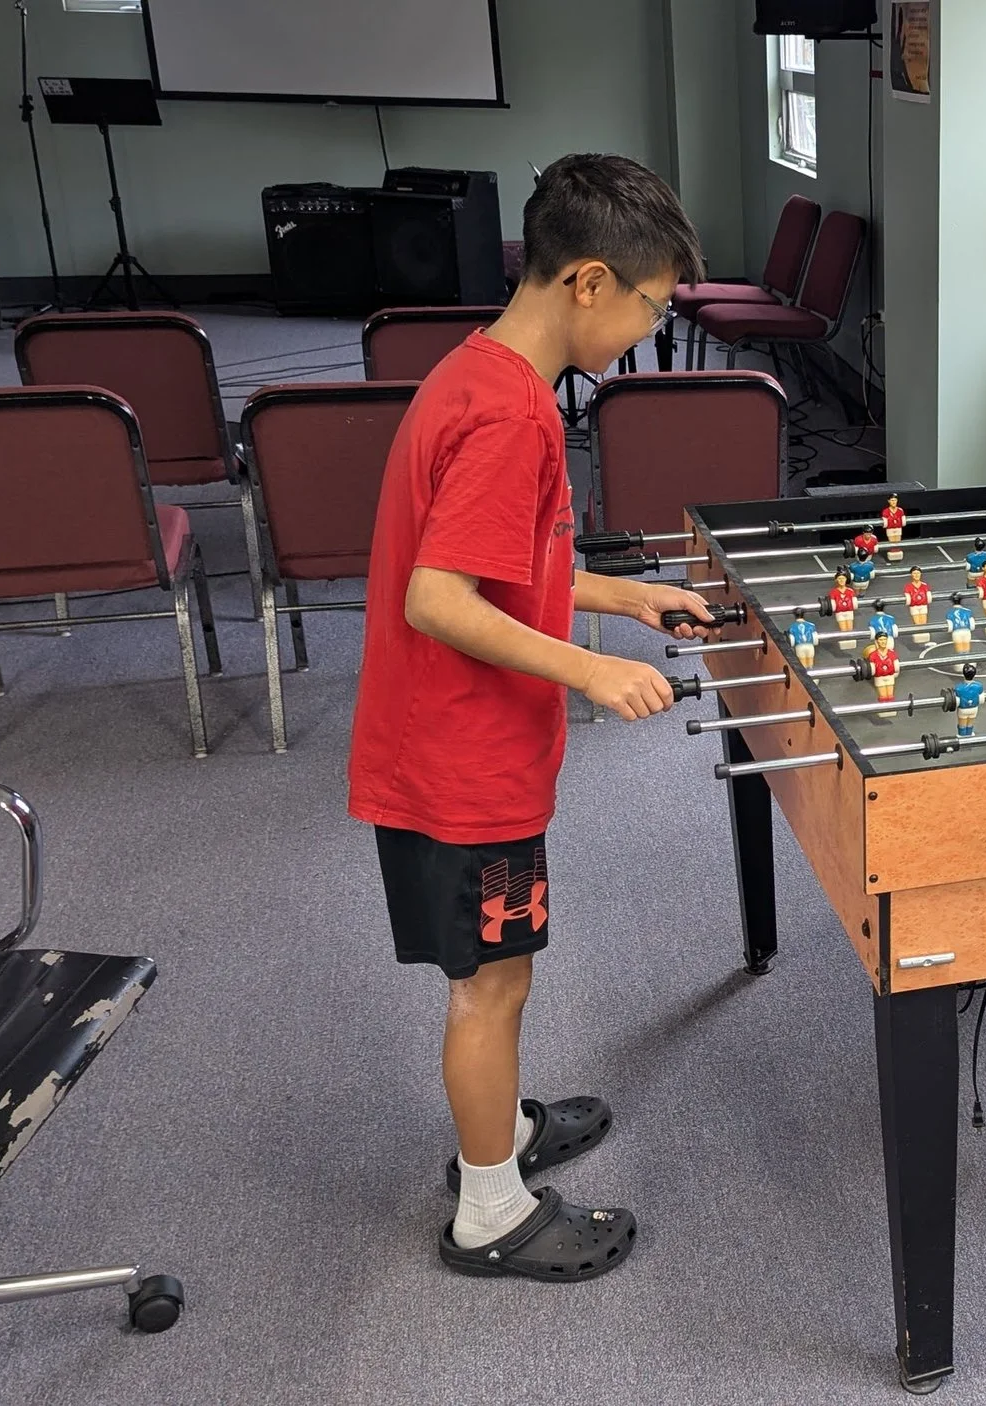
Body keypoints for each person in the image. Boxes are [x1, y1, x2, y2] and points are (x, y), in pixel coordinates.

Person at [348, 153, 711, 1282]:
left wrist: (621, 596)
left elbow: (511, 564)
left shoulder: (480, 374)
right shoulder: (513, 417)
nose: (648, 331)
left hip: (448, 746)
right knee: (492, 983)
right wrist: (590, 670)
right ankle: (491, 1212)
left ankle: (498, 1130)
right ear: (589, 281)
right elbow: (438, 598)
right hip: (464, 766)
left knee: (499, 971)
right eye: (652, 307)